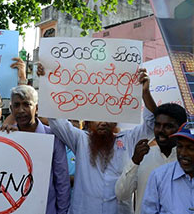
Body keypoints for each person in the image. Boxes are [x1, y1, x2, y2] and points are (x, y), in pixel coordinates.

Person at [37, 63, 156, 214]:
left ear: (116, 121)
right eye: (97, 118)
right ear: (89, 121)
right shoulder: (81, 140)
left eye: (108, 117)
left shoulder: (129, 139)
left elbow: (152, 124)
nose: (103, 122)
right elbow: (55, 120)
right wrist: (46, 81)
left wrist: (145, 93)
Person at [0, 85, 70, 214]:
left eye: (26, 104)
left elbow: (62, 181)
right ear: (11, 109)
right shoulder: (5, 136)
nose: (21, 110)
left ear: (37, 108)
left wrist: (62, 212)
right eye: (16, 105)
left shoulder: (53, 137)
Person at [115, 103, 186, 214]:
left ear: (181, 128)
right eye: (157, 125)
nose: (160, 130)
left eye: (168, 126)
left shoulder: (190, 162)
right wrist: (135, 161)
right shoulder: (142, 157)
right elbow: (122, 195)